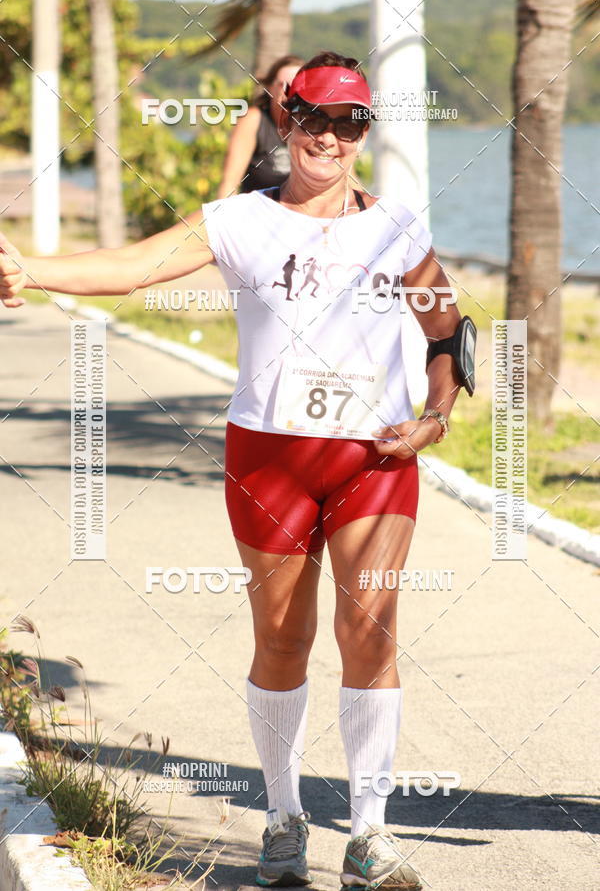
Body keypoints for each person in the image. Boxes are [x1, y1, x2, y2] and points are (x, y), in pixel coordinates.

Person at [0, 50, 473, 891]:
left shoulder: (399, 229)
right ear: (286, 122)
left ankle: (369, 833)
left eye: (350, 120)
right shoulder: (240, 220)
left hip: (375, 456)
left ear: (366, 131)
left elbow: (447, 334)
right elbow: (136, 267)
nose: (330, 135)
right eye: (315, 117)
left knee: (370, 627)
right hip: (271, 455)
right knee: (282, 640)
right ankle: (285, 818)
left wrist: (435, 416)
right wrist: (32, 270)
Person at [217, 55, 303, 197]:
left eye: (295, 85)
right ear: (269, 87)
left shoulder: (315, 125)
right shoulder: (254, 120)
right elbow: (230, 182)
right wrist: (222, 216)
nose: (288, 91)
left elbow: (346, 179)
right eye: (282, 84)